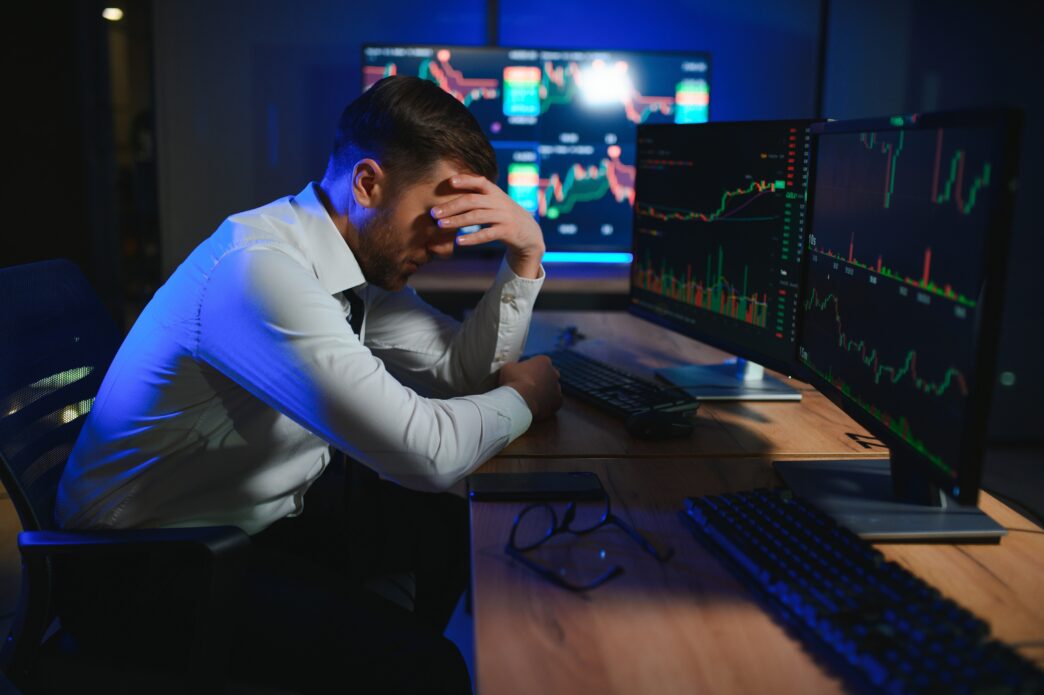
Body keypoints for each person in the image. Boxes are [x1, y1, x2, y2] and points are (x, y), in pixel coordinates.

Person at [54, 75, 562, 693]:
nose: (448, 244)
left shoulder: (354, 263)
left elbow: (462, 371)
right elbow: (426, 453)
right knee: (431, 668)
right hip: (141, 571)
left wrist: (525, 257)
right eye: (436, 216)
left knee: (453, 532)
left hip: (247, 522)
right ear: (368, 183)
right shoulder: (259, 274)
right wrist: (527, 399)